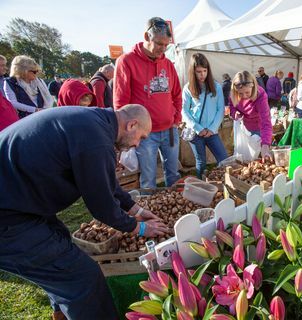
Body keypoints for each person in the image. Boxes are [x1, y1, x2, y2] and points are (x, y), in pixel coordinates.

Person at [0, 104, 168, 320]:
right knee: (81, 278)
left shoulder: (95, 124)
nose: (137, 144)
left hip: (18, 203)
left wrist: (136, 208)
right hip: (8, 216)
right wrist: (139, 227)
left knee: (59, 238)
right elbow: (102, 205)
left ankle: (61, 313)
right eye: (141, 137)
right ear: (131, 124)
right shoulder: (96, 140)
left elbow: (105, 181)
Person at [114, 17, 182, 188]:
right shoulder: (126, 61)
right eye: (159, 44)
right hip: (144, 135)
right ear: (146, 36)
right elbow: (121, 103)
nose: (163, 49)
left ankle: (175, 210)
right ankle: (148, 214)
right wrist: (126, 133)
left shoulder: (168, 64)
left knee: (173, 174)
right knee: (148, 179)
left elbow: (177, 94)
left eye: (167, 45)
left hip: (169, 130)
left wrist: (176, 118)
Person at [182, 53, 228, 178]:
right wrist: (198, 128)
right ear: (193, 72)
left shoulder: (216, 86)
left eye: (205, 70)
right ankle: (201, 187)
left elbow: (220, 109)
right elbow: (184, 111)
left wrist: (212, 129)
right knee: (201, 163)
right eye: (198, 71)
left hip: (212, 132)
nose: (202, 74)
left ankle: (225, 183)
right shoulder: (188, 88)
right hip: (196, 133)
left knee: (223, 159)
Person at [229, 71, 272, 161]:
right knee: (246, 157)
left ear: (253, 87)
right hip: (245, 128)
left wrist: (265, 145)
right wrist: (234, 113)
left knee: (260, 156)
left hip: (260, 129)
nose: (244, 96)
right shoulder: (233, 94)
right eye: (240, 93)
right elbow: (232, 107)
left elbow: (266, 122)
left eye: (247, 92)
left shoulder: (261, 96)